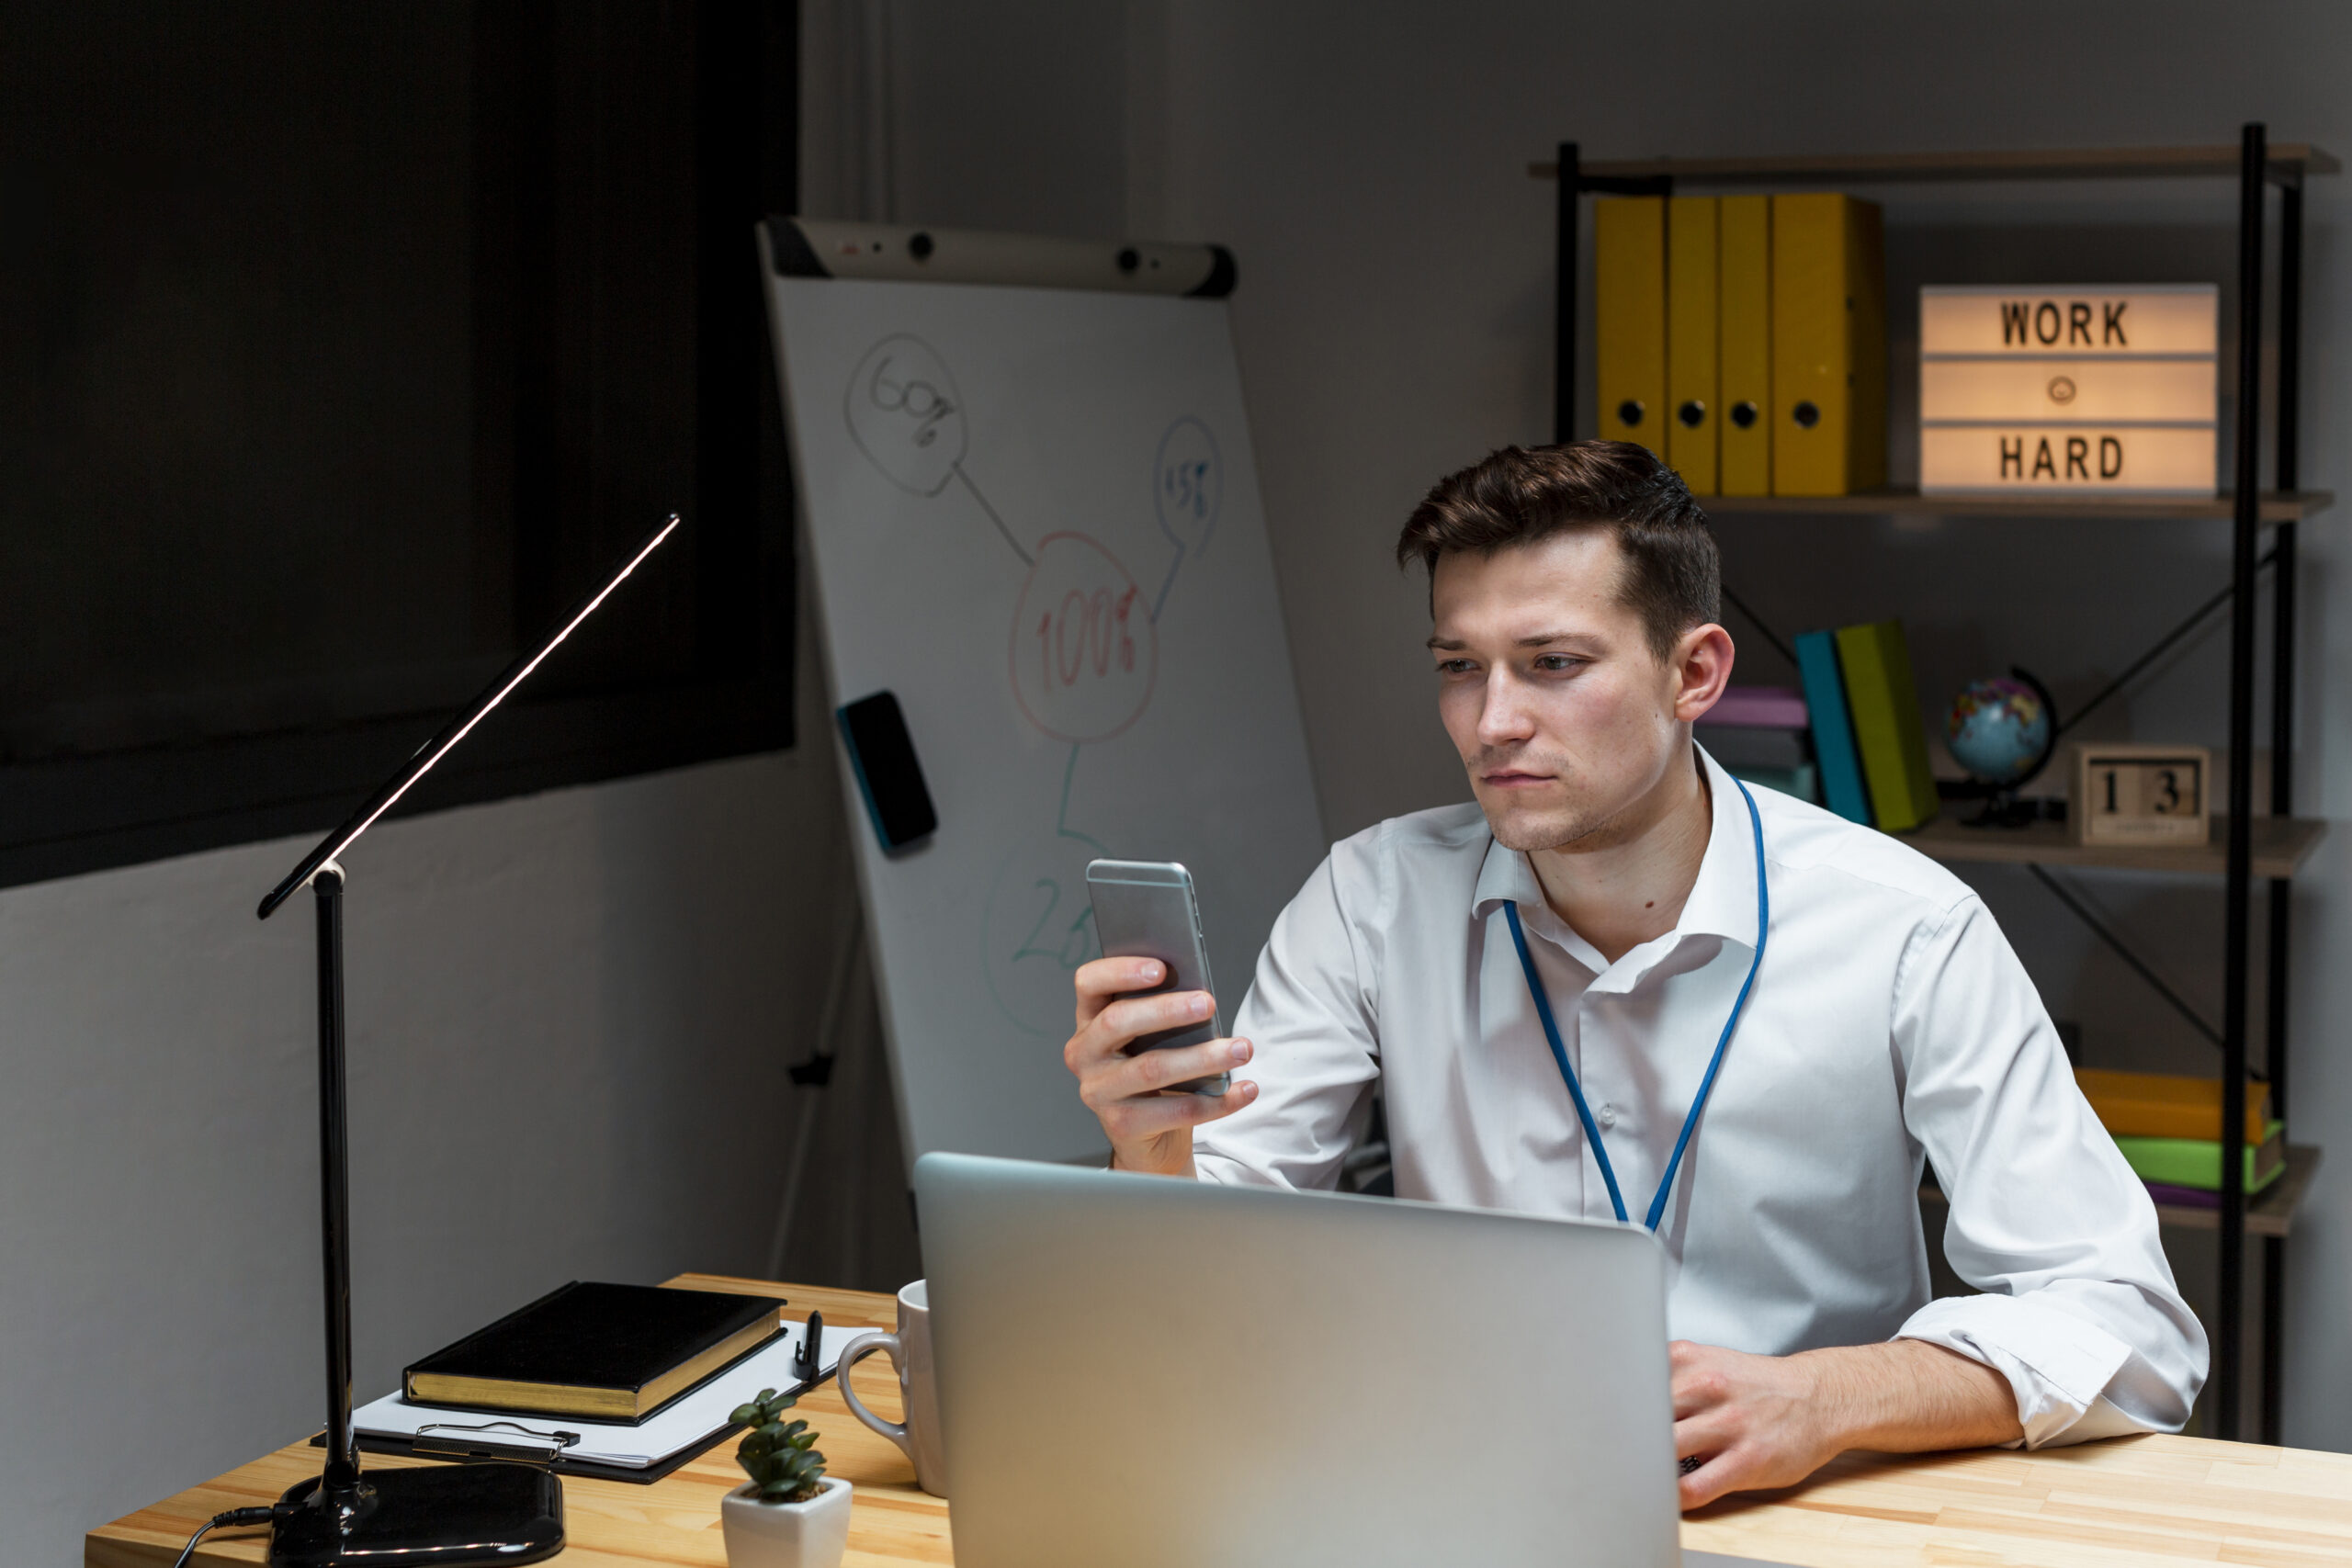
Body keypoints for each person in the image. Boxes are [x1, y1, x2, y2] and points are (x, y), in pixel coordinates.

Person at [1061, 441, 2205, 1507]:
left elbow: (2133, 1331)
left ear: (1692, 672)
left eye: (1553, 665)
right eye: (1459, 667)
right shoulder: (1371, 898)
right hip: (1472, 1499)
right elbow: (1201, 1290)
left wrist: (1824, 1399)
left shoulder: (1905, 928)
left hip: (1801, 1513)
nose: (1491, 722)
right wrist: (1152, 1149)